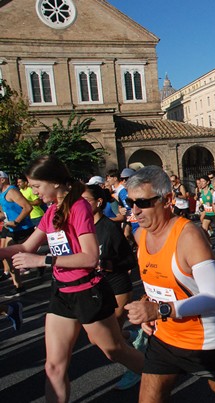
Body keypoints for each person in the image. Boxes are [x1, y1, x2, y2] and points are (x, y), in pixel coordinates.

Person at [0, 155, 143, 402]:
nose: (32, 192)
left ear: (54, 182)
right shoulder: (52, 211)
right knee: (53, 367)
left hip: (88, 292)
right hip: (62, 294)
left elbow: (89, 258)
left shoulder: (78, 208)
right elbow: (26, 247)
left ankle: (160, 374)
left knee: (113, 350)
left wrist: (43, 261)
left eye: (36, 186)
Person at [123, 166, 215, 403]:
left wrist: (160, 310)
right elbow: (156, 285)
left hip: (202, 341)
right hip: (164, 338)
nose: (135, 210)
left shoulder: (189, 236)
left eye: (143, 202)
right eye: (131, 202)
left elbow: (214, 297)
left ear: (167, 199)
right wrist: (146, 302)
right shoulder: (141, 235)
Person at [83, 184, 144, 390]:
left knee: (112, 341)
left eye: (85, 200)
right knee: (96, 338)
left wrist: (108, 265)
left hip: (118, 286)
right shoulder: (82, 228)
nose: (80, 204)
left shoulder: (109, 229)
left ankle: (137, 370)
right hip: (96, 288)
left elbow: (128, 261)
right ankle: (135, 337)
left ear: (98, 203)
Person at [0, 170, 34, 297]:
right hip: (12, 229)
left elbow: (27, 207)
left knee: (27, 256)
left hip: (23, 228)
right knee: (7, 255)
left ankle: (43, 264)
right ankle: (18, 286)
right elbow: (4, 214)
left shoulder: (12, 191)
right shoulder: (1, 194)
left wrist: (16, 221)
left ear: (3, 179)